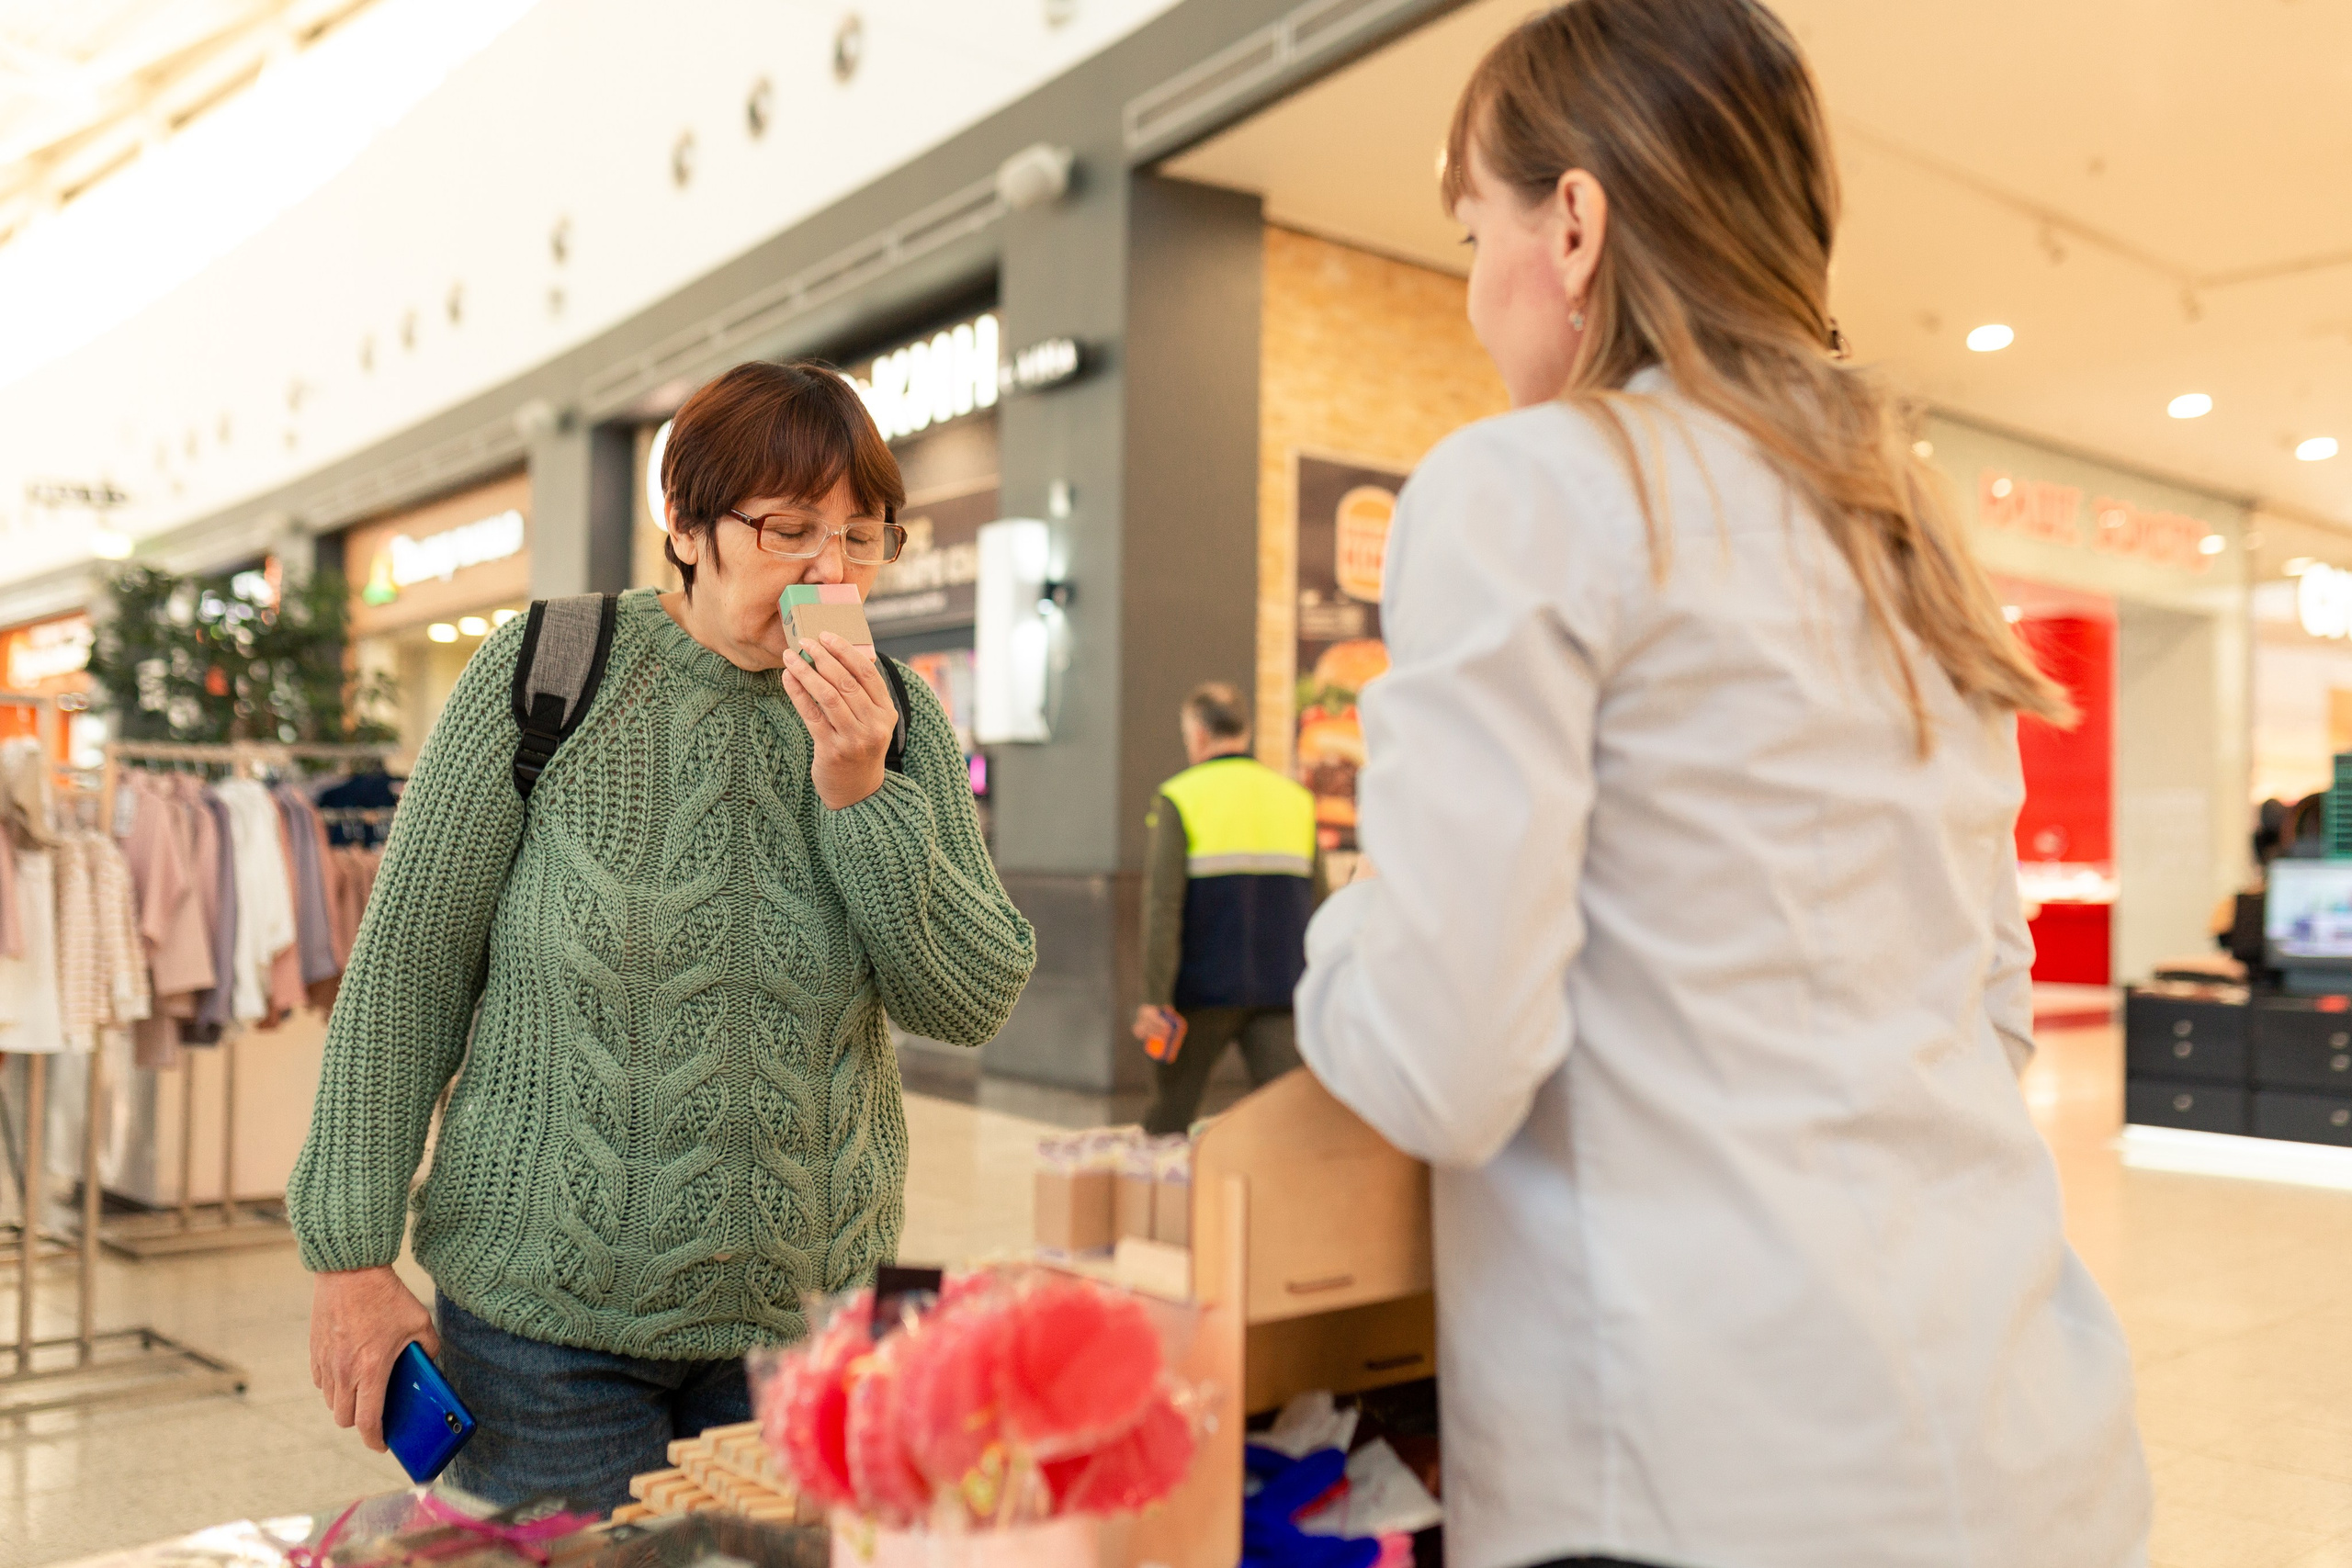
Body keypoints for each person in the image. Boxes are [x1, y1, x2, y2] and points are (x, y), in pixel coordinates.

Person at [1291, 3, 2150, 1566]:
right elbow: (1994, 1010)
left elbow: (1444, 1056)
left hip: (1702, 1475)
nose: (1476, 282)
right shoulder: (1911, 529)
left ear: (1572, 222)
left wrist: (1338, 937)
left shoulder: (1526, 485)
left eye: (1475, 221)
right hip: (2025, 1439)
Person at [290, 360, 1036, 1510]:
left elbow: (968, 1000)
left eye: (862, 535)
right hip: (543, 1329)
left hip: (804, 1326)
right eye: (789, 531)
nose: (829, 573)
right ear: (687, 526)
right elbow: (407, 975)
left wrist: (861, 790)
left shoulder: (896, 719)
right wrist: (349, 1257)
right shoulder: (549, 673)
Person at [1133, 682, 1317, 1134]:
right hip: (1283, 989)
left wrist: (1156, 998)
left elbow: (1162, 908)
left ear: (1197, 734)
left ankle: (1166, 1203)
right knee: (1290, 1123)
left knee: (1169, 1119)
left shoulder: (1180, 797)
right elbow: (1320, 905)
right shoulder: (1296, 799)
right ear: (1247, 731)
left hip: (1200, 995)